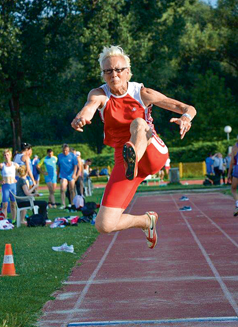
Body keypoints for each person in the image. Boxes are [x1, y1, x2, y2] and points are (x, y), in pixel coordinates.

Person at [71, 45, 196, 249]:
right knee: (104, 225)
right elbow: (89, 108)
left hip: (151, 151)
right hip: (125, 159)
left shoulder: (142, 93)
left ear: (128, 71)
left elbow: (187, 107)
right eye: (108, 71)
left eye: (119, 69)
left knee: (138, 123)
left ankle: (134, 160)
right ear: (103, 75)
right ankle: (147, 221)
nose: (114, 74)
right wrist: (80, 119)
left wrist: (186, 118)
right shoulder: (99, 94)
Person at [0, 149, 19, 221]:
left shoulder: (15, 165)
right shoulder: (2, 165)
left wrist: (16, 178)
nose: (6, 156)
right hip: (5, 186)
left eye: (7, 155)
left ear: (10, 155)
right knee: (5, 205)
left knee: (13, 204)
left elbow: (21, 171)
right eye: (5, 155)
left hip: (13, 186)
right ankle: (4, 221)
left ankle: (13, 220)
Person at [57, 144, 78, 209]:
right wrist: (58, 175)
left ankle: (72, 203)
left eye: (66, 150)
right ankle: (63, 204)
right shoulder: (60, 156)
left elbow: (75, 166)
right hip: (63, 175)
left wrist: (74, 174)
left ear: (68, 150)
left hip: (71, 175)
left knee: (71, 189)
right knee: (62, 189)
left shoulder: (72, 156)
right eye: (63, 150)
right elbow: (58, 166)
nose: (65, 152)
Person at [227, 139, 238, 216]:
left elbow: (232, 162)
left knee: (233, 189)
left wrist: (228, 174)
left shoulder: (234, 148)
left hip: (237, 169)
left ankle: (237, 205)